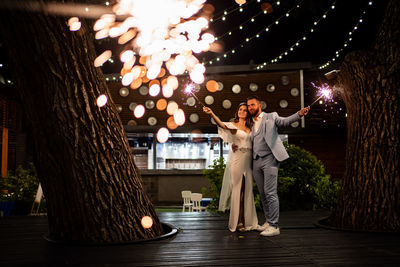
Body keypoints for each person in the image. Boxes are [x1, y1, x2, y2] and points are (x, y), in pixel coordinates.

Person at [245, 96, 310, 237]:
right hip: (255, 161)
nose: (250, 107)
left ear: (259, 105)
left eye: (252, 105)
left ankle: (274, 226)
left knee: (270, 192)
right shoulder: (249, 122)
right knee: (262, 193)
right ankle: (268, 222)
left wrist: (299, 114)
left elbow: (285, 121)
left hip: (270, 158)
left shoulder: (271, 116)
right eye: (248, 105)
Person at [203, 103, 258, 232]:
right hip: (237, 159)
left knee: (247, 190)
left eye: (245, 110)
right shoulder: (233, 125)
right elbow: (221, 124)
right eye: (240, 109)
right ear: (237, 111)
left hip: (249, 161)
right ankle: (237, 222)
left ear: (248, 113)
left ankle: (247, 221)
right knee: (237, 190)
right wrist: (211, 113)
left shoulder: (252, 127)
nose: (242, 111)